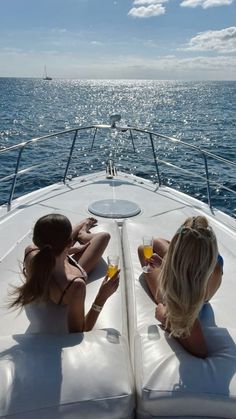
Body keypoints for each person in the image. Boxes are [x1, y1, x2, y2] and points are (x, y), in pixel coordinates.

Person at [9, 213, 119, 333]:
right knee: (104, 236)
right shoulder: (75, 284)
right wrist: (101, 297)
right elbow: (79, 331)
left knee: (54, 238)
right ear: (69, 243)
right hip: (66, 271)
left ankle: (81, 228)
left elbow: (50, 250)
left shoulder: (30, 252)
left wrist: (70, 250)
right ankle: (82, 233)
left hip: (59, 260)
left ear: (36, 241)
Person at [138, 216, 223, 358]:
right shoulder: (214, 261)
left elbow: (200, 350)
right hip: (208, 274)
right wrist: (166, 265)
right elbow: (194, 268)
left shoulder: (187, 294)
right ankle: (188, 250)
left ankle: (183, 252)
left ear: (174, 253)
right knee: (157, 242)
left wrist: (164, 318)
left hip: (192, 290)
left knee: (142, 250)